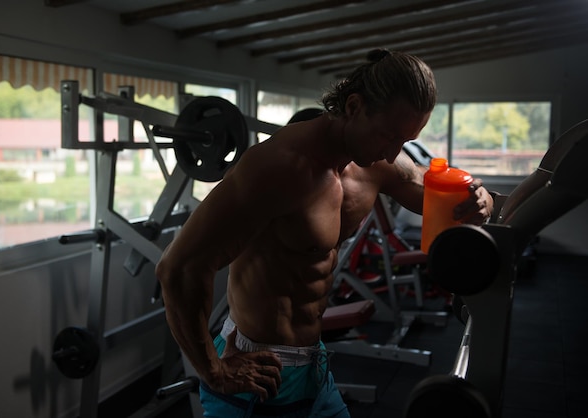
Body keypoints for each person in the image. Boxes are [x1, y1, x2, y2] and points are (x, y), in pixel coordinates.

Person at [155, 48, 494, 417]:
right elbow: (178, 268)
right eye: (388, 136)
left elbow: (444, 198)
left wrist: (481, 201)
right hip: (256, 378)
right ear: (353, 107)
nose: (394, 152)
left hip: (315, 371)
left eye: (406, 140)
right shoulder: (278, 167)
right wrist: (212, 371)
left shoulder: (377, 163)